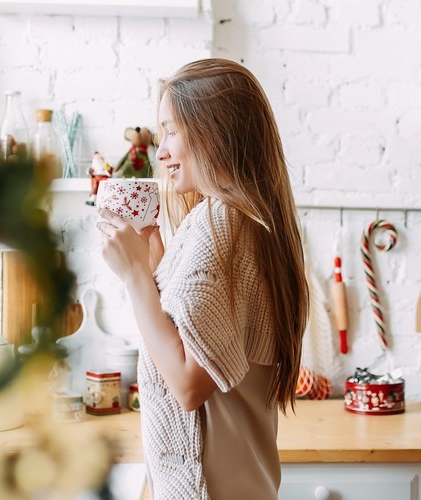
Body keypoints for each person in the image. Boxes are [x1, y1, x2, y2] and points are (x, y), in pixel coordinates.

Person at [95, 58, 309, 500]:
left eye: (171, 131)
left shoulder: (220, 222)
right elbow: (194, 342)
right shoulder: (244, 220)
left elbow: (190, 385)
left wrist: (136, 276)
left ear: (216, 131)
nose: (161, 152)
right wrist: (155, 263)